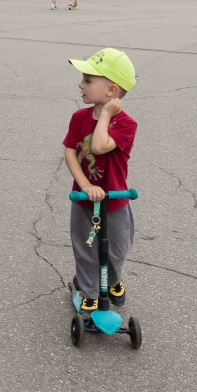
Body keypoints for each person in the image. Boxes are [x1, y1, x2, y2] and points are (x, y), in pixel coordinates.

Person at [63, 47, 138, 314]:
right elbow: (70, 151)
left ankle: (114, 280)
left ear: (111, 90)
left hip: (115, 200)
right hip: (84, 200)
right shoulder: (78, 117)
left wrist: (105, 115)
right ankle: (90, 291)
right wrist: (85, 185)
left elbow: (98, 146)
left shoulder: (126, 124)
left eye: (88, 80)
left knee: (116, 250)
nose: (80, 85)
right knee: (85, 250)